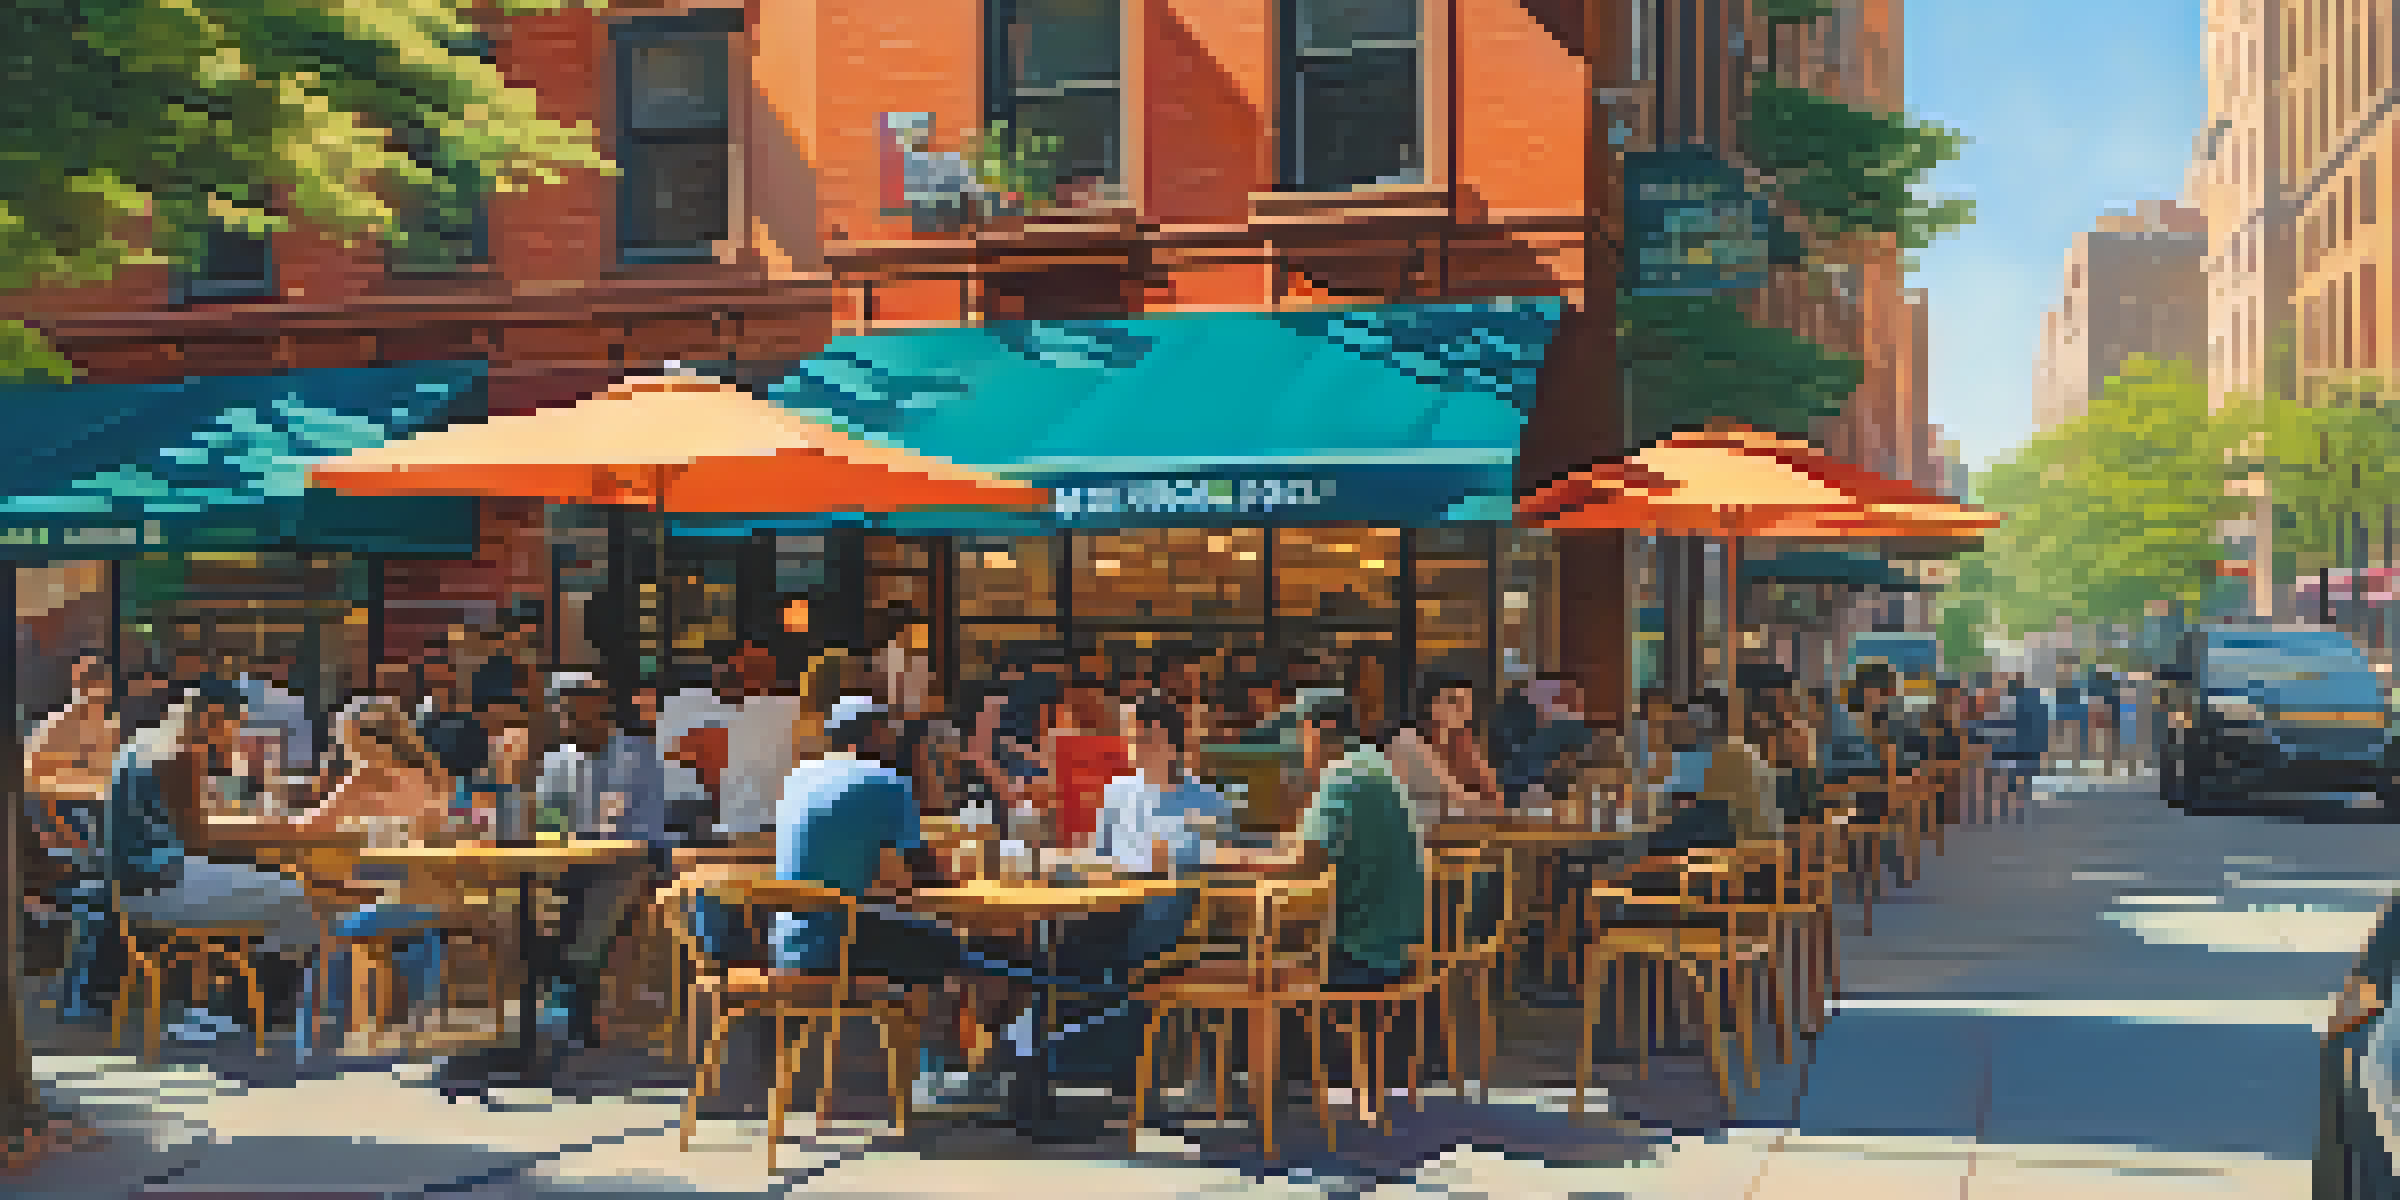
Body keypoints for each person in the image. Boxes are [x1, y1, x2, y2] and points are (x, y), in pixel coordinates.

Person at [64, 680, 320, 1037]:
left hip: (134, 884)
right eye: (235, 725)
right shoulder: (180, 752)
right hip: (160, 884)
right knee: (292, 897)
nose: (235, 736)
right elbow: (198, 838)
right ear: (213, 718)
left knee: (271, 891)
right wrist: (276, 827)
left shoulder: (142, 743)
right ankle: (246, 1013)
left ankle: (241, 1006)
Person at [1385, 674, 1500, 826]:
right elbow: (1458, 803)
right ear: (1430, 705)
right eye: (1454, 703)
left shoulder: (1458, 746)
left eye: (1467, 705)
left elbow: (1495, 801)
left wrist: (1473, 757)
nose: (1463, 713)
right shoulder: (1407, 744)